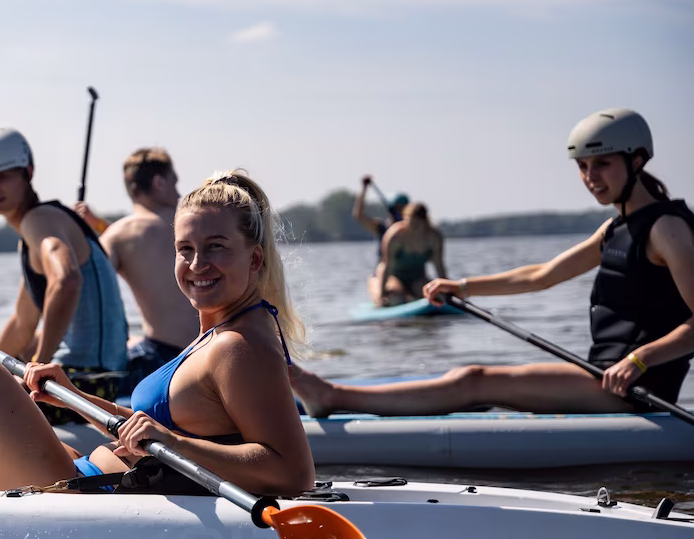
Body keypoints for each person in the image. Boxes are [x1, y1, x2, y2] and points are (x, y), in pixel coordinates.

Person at [0, 170, 314, 497]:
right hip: (82, 474)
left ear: (255, 257)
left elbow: (290, 472)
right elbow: (148, 432)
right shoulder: (222, 332)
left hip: (80, 499)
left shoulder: (241, 347)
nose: (197, 264)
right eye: (185, 249)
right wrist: (75, 400)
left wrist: (169, 440)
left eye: (216, 247)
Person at [291, 108, 694, 416]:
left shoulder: (667, 229)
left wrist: (640, 359)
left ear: (637, 160)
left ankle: (333, 397)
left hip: (640, 390)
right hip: (605, 376)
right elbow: (540, 275)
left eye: (602, 163)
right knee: (469, 379)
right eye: (583, 166)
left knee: (474, 380)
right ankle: (347, 397)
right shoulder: (615, 229)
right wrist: (462, 287)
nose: (590, 176)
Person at [0, 126, 128, 423]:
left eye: (0, 177)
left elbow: (66, 280)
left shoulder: (39, 221)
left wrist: (38, 365)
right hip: (96, 377)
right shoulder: (37, 232)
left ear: (28, 172)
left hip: (88, 382)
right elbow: (22, 323)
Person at [73, 148, 201, 387]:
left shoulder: (119, 235)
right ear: (159, 182)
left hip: (164, 360)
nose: (179, 192)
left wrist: (81, 235)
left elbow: (89, 287)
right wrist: (100, 226)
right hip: (207, 349)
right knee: (136, 341)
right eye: (175, 183)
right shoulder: (194, 225)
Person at [369, 201, 448, 306]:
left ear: (425, 222)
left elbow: (439, 266)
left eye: (416, 225)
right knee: (396, 299)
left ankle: (411, 296)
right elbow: (386, 267)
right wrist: (381, 296)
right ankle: (376, 286)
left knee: (433, 295)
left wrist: (447, 291)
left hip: (417, 278)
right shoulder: (395, 236)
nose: (411, 229)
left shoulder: (434, 237)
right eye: (409, 223)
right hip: (392, 276)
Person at [352, 175, 408, 249]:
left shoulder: (410, 229)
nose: (399, 211)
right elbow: (358, 215)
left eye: (402, 208)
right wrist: (364, 188)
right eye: (397, 208)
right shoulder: (382, 227)